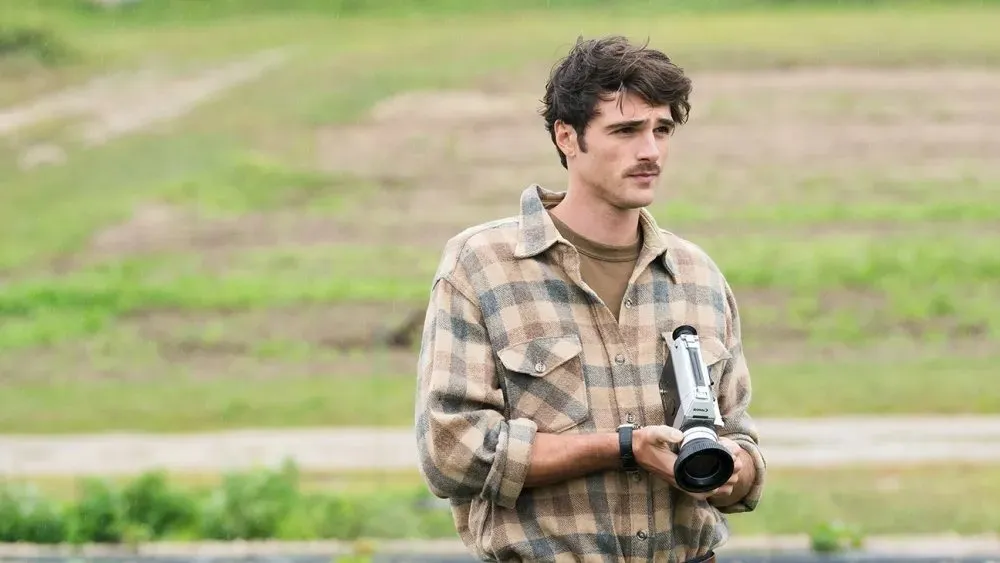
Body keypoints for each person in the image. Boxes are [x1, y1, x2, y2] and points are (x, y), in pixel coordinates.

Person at [414, 35, 766, 563]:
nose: (649, 151)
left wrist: (730, 470)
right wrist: (623, 448)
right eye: (625, 130)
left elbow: (742, 444)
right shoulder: (482, 265)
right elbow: (452, 452)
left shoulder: (697, 275)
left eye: (662, 129)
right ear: (567, 137)